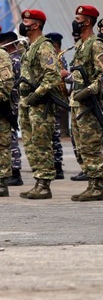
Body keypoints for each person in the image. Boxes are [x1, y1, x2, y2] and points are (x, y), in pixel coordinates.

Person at [18, 10, 63, 199]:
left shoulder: (44, 47)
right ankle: (38, 180)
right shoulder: (30, 46)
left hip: (40, 105)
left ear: (36, 25)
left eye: (26, 21)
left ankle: (44, 184)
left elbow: (52, 76)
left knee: (42, 143)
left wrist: (35, 96)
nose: (23, 25)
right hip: (28, 103)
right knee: (31, 144)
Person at [68, 5, 103, 202]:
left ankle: (97, 185)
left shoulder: (95, 45)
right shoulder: (79, 45)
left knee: (91, 145)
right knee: (82, 146)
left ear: (88, 21)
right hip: (77, 104)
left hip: (89, 104)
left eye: (79, 18)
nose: (76, 21)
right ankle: (91, 181)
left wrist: (88, 91)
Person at [0, 32, 23, 186]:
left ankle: (14, 171)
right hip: (8, 100)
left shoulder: (12, 59)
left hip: (8, 102)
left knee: (9, 138)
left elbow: (9, 82)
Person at [45, 32, 68, 180]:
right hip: (52, 98)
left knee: (55, 134)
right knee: (53, 134)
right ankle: (54, 166)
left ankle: (58, 166)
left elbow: (62, 75)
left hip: (57, 98)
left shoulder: (60, 59)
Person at [0, 43, 14, 196]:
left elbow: (7, 83)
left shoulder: (1, 55)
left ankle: (2, 183)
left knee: (2, 146)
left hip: (0, 107)